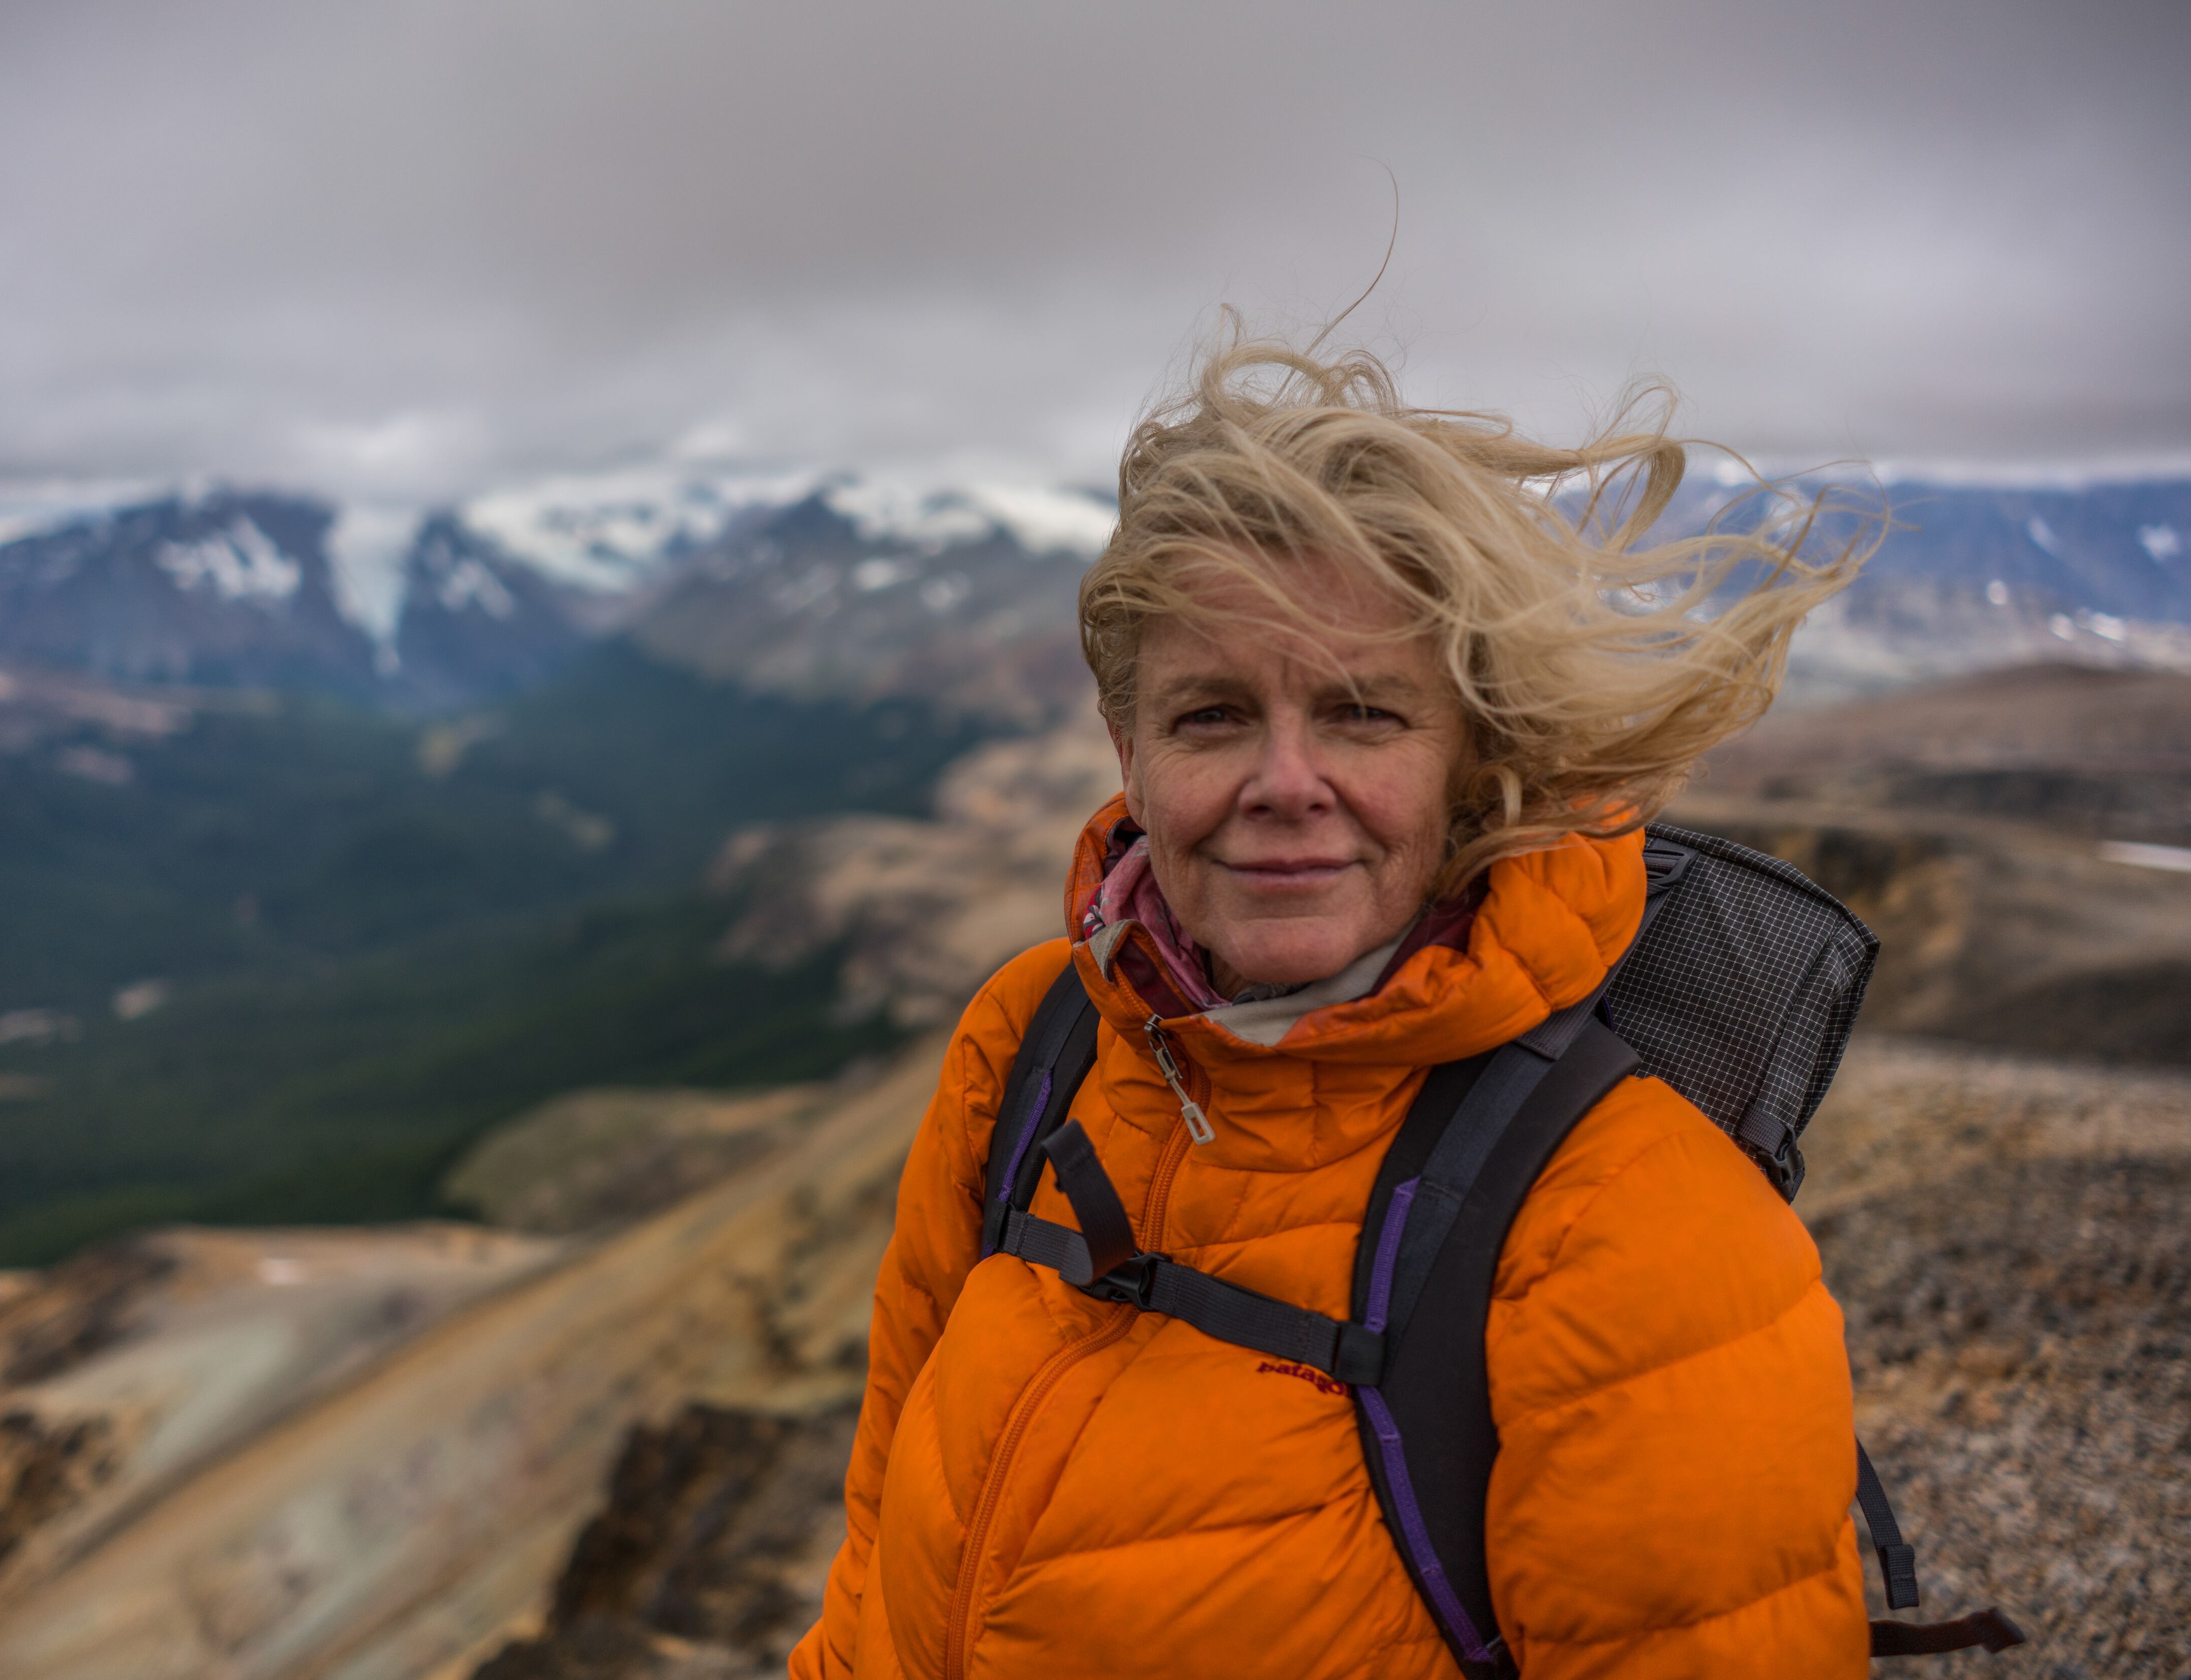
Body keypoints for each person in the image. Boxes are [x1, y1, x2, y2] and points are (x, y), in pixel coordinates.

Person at [787, 333, 1870, 1679]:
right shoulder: (1031, 1042)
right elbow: (879, 1531)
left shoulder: (1633, 1228)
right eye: (1211, 716)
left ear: (1470, 755)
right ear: (1129, 750)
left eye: (1363, 713)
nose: (1286, 782)